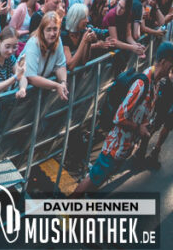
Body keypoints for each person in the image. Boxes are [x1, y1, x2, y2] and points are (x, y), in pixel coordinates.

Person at [73, 42, 173, 197]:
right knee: (92, 179)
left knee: (97, 181)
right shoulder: (142, 84)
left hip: (124, 148)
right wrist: (139, 128)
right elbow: (118, 117)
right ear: (163, 62)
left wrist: (146, 126)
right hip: (114, 148)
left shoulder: (156, 83)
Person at [17, 11, 68, 100]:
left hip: (39, 91)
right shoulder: (33, 43)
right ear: (42, 30)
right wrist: (56, 85)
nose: (52, 33)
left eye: (55, 29)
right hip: (21, 90)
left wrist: (63, 82)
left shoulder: (58, 40)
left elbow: (60, 66)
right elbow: (31, 77)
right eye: (49, 29)